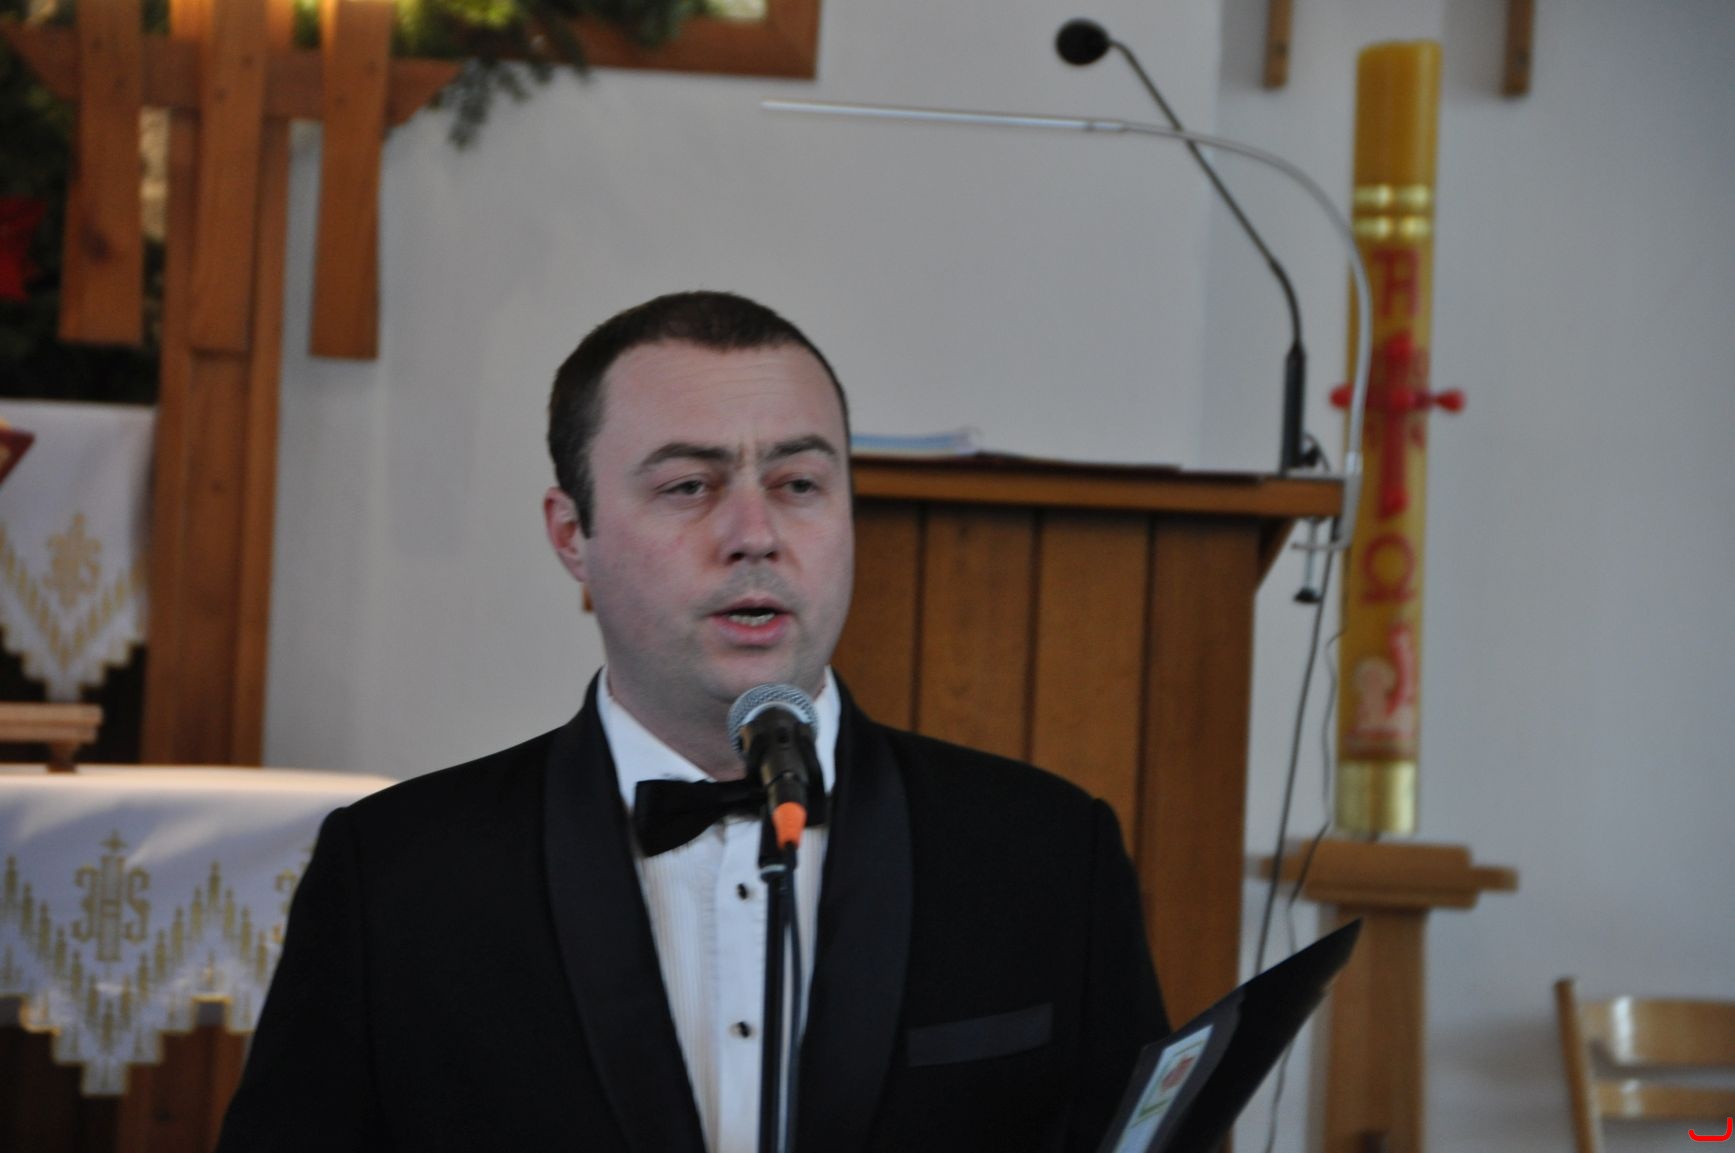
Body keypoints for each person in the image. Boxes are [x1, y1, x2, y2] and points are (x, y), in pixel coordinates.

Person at [216, 291, 1167, 1153]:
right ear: (571, 534)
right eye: (688, 486)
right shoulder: (396, 874)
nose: (754, 535)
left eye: (798, 484)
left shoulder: (1048, 850)